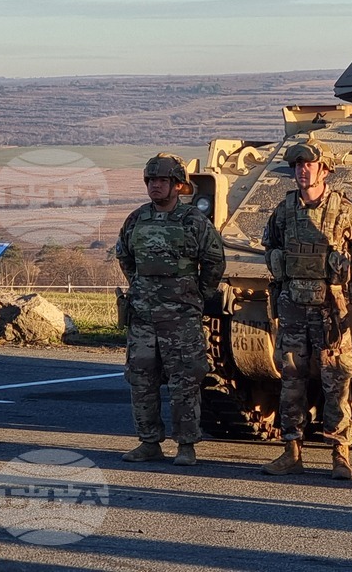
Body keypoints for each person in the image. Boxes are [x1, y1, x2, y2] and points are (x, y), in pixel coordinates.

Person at [261, 138, 352, 480]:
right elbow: (270, 246)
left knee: (336, 382)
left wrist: (346, 285)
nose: (303, 170)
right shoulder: (284, 210)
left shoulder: (343, 211)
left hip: (329, 313)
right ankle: (292, 451)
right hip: (292, 309)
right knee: (291, 381)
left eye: (309, 164)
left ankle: (340, 454)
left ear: (325, 170)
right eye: (298, 165)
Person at [116, 153, 226, 467]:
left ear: (177, 185)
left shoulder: (193, 220)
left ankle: (186, 445)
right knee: (141, 380)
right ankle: (149, 441)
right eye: (151, 180)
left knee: (184, 382)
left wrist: (197, 295)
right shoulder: (137, 219)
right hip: (143, 316)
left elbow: (214, 261)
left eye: (162, 180)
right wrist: (142, 287)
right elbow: (125, 256)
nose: (156, 186)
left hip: (181, 317)